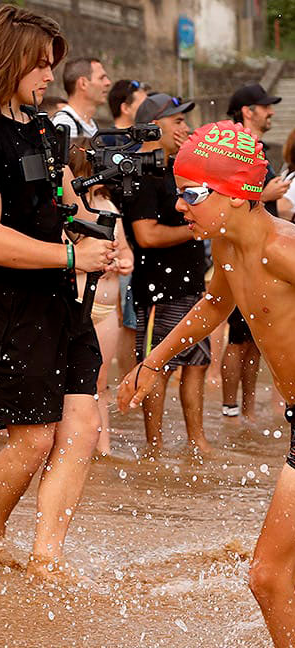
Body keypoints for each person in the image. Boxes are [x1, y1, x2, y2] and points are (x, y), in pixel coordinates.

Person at [0, 4, 118, 582]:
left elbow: (56, 206)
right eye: (40, 66)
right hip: (3, 308)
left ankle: (47, 555)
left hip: (57, 299)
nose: (49, 77)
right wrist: (73, 254)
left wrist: (85, 220)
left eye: (51, 66)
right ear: (7, 61)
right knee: (33, 440)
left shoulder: (43, 129)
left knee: (83, 427)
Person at [118, 119, 295, 648]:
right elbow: (216, 304)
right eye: (179, 193)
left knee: (267, 573)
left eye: (194, 194)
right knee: (267, 579)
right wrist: (154, 360)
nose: (180, 206)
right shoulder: (225, 246)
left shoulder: (284, 250)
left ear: (241, 194)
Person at [125, 92, 210, 454]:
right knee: (157, 366)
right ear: (153, 125)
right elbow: (146, 235)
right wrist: (194, 230)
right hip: (158, 287)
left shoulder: (177, 169)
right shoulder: (142, 172)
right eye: (177, 121)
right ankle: (154, 447)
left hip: (189, 281)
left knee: (197, 363)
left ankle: (197, 442)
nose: (185, 127)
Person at [221, 82, 288, 422]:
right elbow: (228, 199)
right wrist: (267, 195)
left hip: (262, 254)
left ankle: (247, 410)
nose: (271, 111)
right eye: (265, 107)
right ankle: (230, 408)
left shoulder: (255, 146)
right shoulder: (235, 147)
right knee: (236, 336)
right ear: (248, 111)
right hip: (242, 254)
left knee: (254, 337)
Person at [68, 138, 133, 455]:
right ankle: (75, 444)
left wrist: (124, 261)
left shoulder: (108, 206)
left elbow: (125, 251)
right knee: (72, 379)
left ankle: (103, 447)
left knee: (102, 379)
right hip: (77, 302)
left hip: (107, 306)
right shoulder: (66, 211)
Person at [108, 79, 150, 380]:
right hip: (121, 242)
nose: (146, 110)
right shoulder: (108, 143)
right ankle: (123, 384)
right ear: (125, 107)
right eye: (141, 103)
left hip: (135, 247)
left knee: (134, 322)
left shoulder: (142, 143)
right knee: (126, 322)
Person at [51, 57, 111, 137]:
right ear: (83, 83)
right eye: (101, 78)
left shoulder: (91, 124)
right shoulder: (65, 123)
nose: (108, 82)